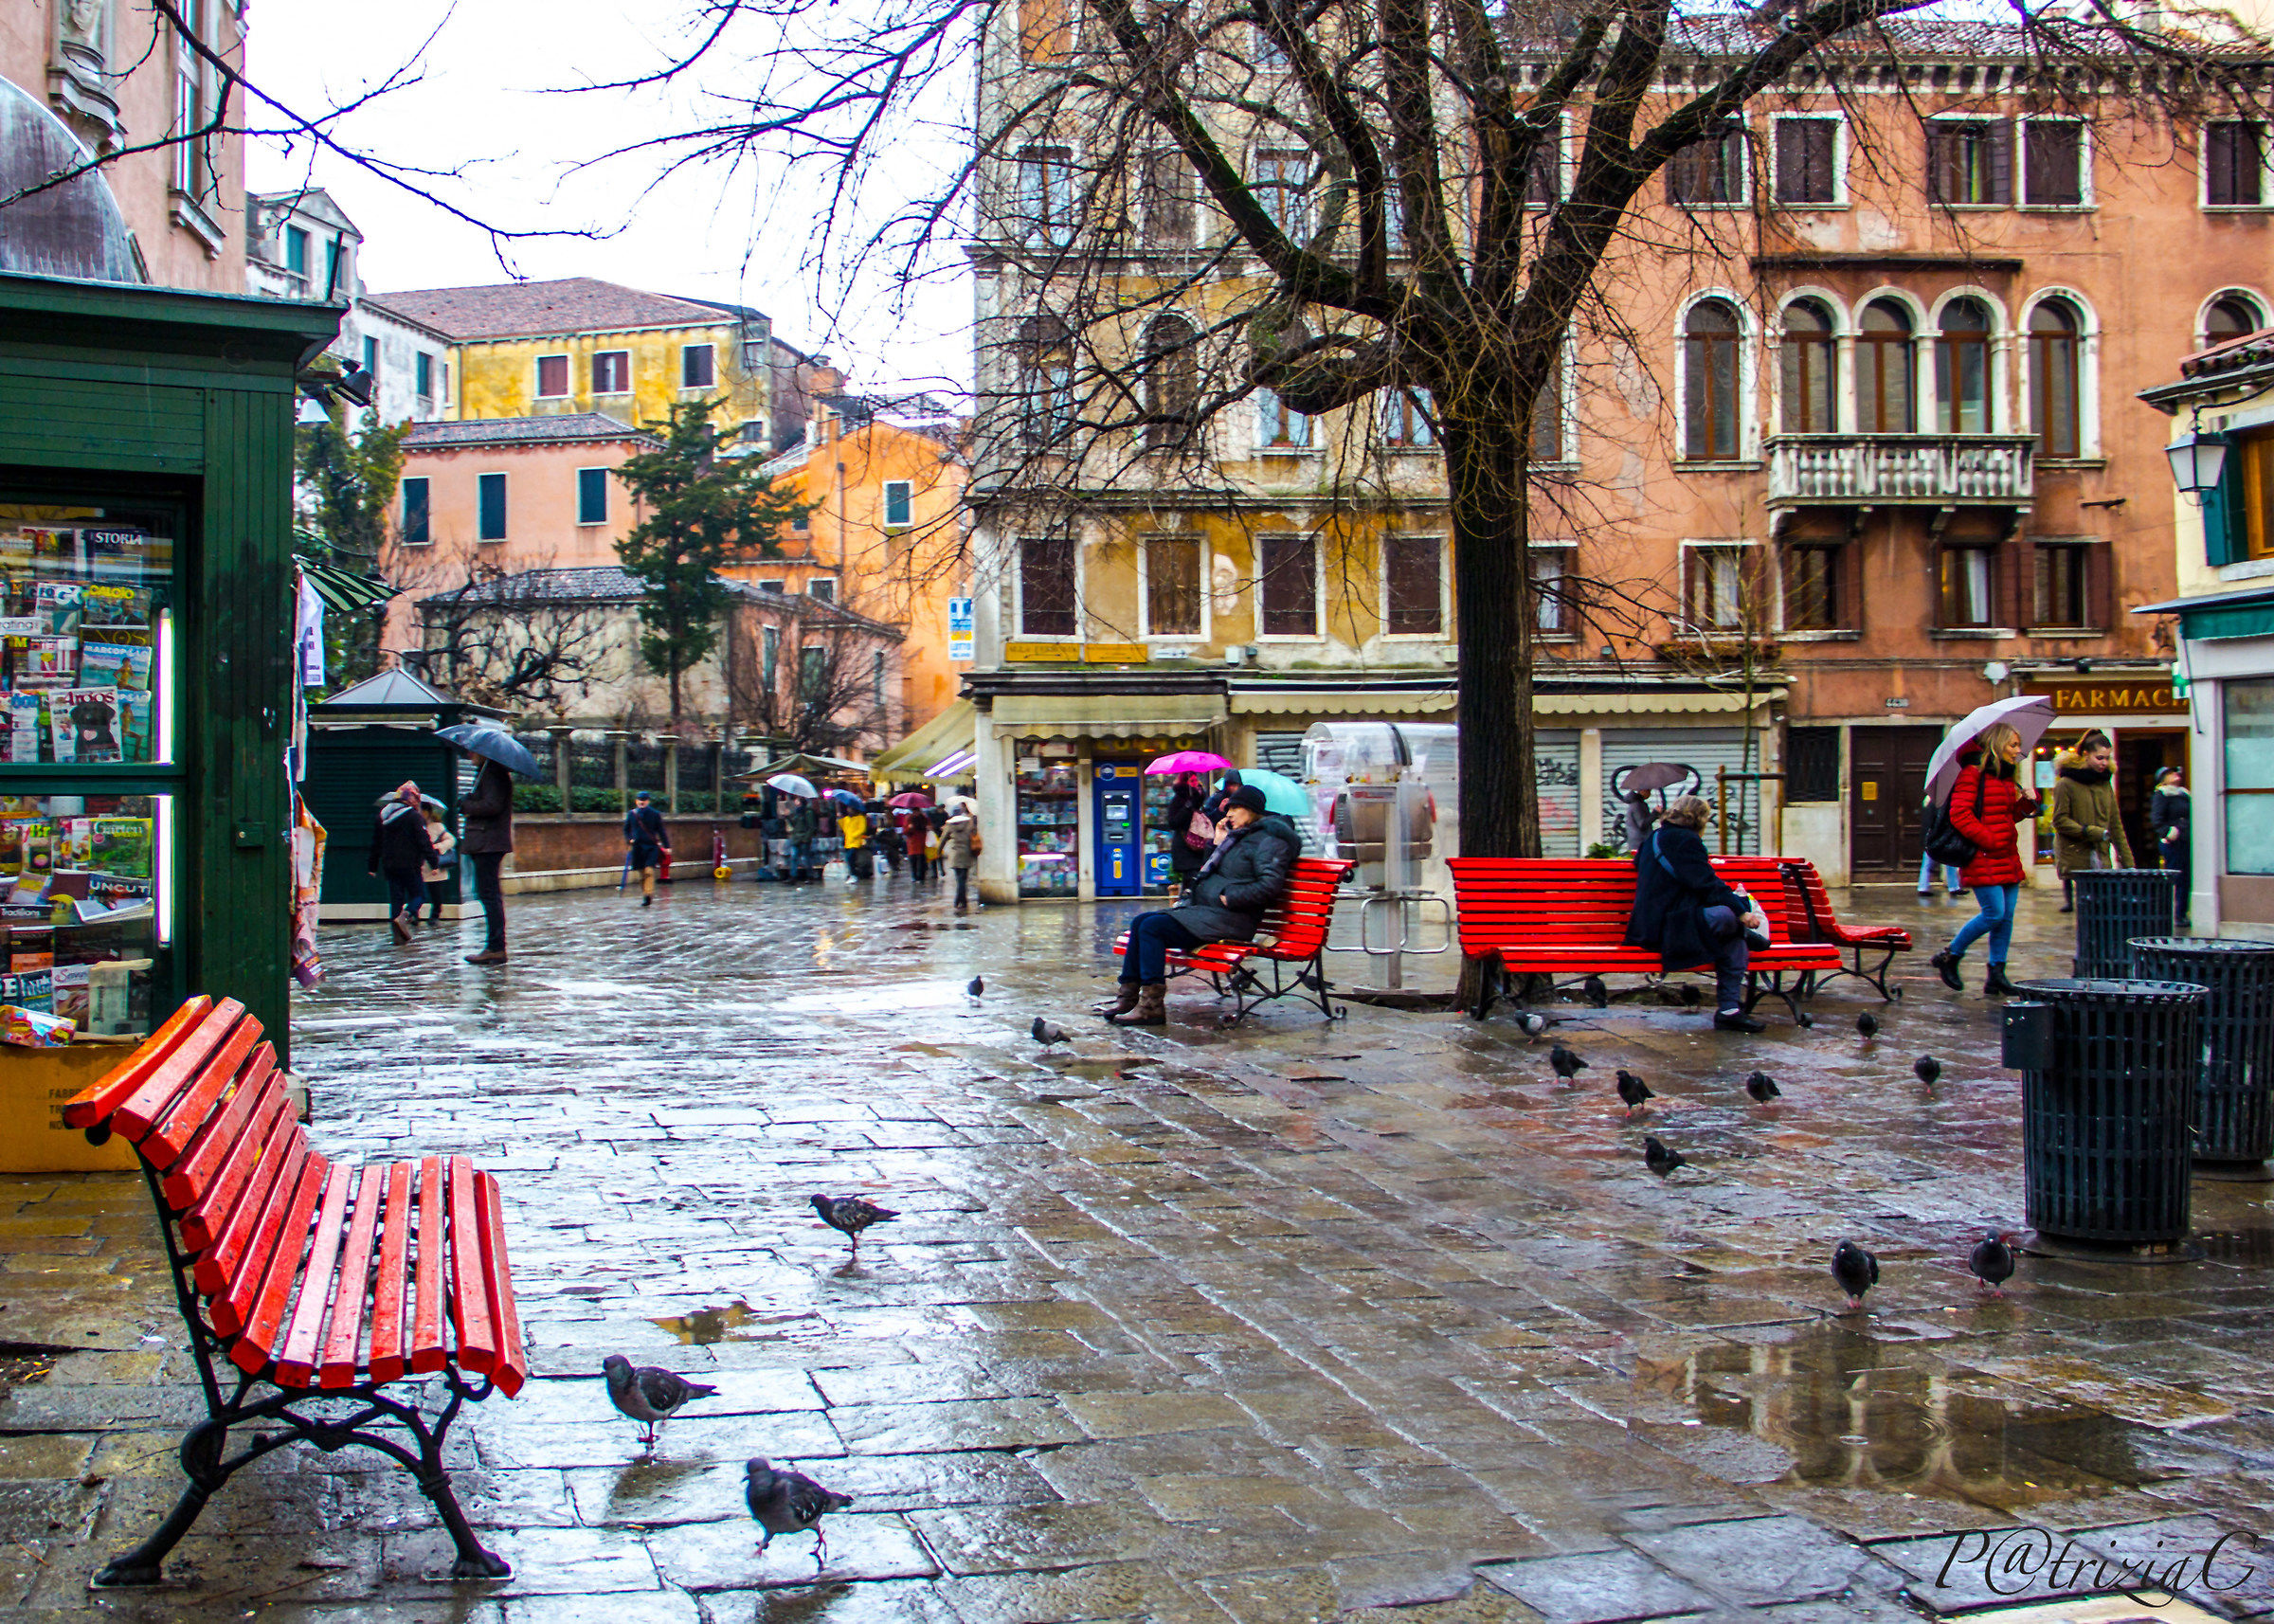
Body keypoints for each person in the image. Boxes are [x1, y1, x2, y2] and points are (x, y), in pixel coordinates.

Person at [1100, 784, 1299, 1027]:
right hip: (1210, 913)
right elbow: (1207, 873)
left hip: (1233, 919)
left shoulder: (1269, 841)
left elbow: (1270, 886)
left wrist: (1231, 897)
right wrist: (1217, 843)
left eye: (1236, 808)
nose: (1229, 814)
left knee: (1152, 927)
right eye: (1229, 808)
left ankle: (1151, 1008)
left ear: (1252, 810)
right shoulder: (1237, 838)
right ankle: (1127, 998)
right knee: (1141, 921)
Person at [1622, 795, 1772, 1034]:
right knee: (1727, 916)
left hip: (1655, 925)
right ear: (1699, 819)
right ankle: (1743, 930)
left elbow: (1642, 864)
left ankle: (1729, 1012)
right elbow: (1706, 882)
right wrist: (1742, 913)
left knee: (1734, 941)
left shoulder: (1654, 838)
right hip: (1670, 927)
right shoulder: (1684, 841)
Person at [1930, 721, 2038, 998]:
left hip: (2006, 855)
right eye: (2013, 745)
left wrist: (2026, 803)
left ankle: (1996, 973)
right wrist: (1988, 840)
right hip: (1983, 855)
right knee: (1994, 913)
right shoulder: (1972, 773)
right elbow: (1960, 814)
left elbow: (2008, 816)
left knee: (2007, 917)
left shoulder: (2005, 776)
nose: (2018, 751)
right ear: (1998, 743)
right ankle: (1951, 955)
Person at [2050, 729, 2133, 912]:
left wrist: (2129, 865)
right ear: (2086, 754)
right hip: (2077, 857)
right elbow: (2059, 820)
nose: (2104, 763)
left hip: (2102, 857)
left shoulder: (2105, 784)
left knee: (2104, 909)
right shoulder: (2066, 783)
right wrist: (2088, 831)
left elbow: (2115, 825)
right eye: (2100, 758)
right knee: (2087, 912)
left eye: (2107, 758)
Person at [460, 751, 515, 965]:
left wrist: (467, 805)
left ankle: (495, 947)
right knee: (488, 893)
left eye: (473, 751)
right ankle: (494, 945)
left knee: (489, 894)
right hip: (486, 841)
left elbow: (492, 805)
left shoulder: (493, 773)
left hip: (487, 842)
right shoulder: (487, 772)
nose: (470, 754)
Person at [368, 781, 440, 946]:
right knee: (420, 895)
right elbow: (424, 842)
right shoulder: (414, 817)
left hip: (390, 865)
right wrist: (434, 863)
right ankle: (405, 917)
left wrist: (372, 866)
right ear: (412, 798)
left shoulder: (382, 816)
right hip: (410, 864)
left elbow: (376, 843)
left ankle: (397, 937)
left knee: (396, 899)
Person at [2151, 766, 2193, 928]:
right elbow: (2156, 819)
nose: (2176, 775)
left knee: (2186, 878)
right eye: (2171, 773)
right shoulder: (2162, 794)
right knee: (2175, 877)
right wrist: (2168, 832)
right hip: (2173, 842)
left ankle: (2182, 913)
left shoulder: (2184, 794)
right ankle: (2172, 913)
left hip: (2186, 840)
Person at [1162, 773, 1211, 896]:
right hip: (1185, 847)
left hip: (1197, 845)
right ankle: (1185, 906)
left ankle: (1188, 905)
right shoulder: (1179, 799)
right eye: (1192, 780)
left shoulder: (1197, 798)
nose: (1195, 782)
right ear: (1186, 781)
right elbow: (1173, 822)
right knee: (1190, 881)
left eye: (1196, 779)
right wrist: (1188, 807)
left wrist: (1198, 797)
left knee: (1193, 882)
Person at [624, 789, 669, 907]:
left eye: (644, 800)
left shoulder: (655, 814)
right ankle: (645, 894)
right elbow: (626, 829)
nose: (641, 802)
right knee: (641, 874)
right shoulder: (632, 814)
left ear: (648, 801)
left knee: (649, 871)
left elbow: (661, 831)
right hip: (637, 847)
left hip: (651, 847)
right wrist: (629, 839)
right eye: (640, 800)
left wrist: (667, 845)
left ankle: (648, 894)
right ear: (636, 801)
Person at [1917, 797, 1966, 898]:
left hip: (1930, 837)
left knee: (1928, 863)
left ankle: (1923, 887)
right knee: (1949, 861)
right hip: (1938, 837)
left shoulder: (1927, 802)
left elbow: (1927, 823)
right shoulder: (1939, 802)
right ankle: (1953, 887)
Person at [940, 799, 980, 912]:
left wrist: (938, 852)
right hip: (967, 854)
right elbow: (975, 835)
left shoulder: (950, 826)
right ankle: (962, 900)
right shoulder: (969, 824)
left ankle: (959, 900)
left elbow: (943, 840)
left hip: (955, 855)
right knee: (963, 878)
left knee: (959, 879)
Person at [420, 795, 455, 923]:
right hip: (421, 864)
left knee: (436, 893)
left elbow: (451, 840)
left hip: (435, 865)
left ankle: (435, 914)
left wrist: (438, 847)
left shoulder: (437, 826)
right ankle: (414, 914)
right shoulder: (416, 825)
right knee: (419, 892)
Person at [785, 795, 818, 882]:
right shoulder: (797, 812)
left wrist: (806, 838)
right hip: (796, 838)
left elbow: (812, 827)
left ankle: (809, 876)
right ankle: (793, 876)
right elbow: (794, 825)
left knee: (806, 858)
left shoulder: (808, 812)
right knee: (794, 857)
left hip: (804, 839)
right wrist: (788, 817)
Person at [839, 799, 871, 881]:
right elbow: (844, 829)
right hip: (848, 842)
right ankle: (852, 873)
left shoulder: (860, 818)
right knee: (849, 859)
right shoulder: (847, 819)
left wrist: (854, 835)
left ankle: (853, 874)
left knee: (850, 857)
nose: (848, 810)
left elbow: (862, 829)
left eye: (850, 808)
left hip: (856, 842)